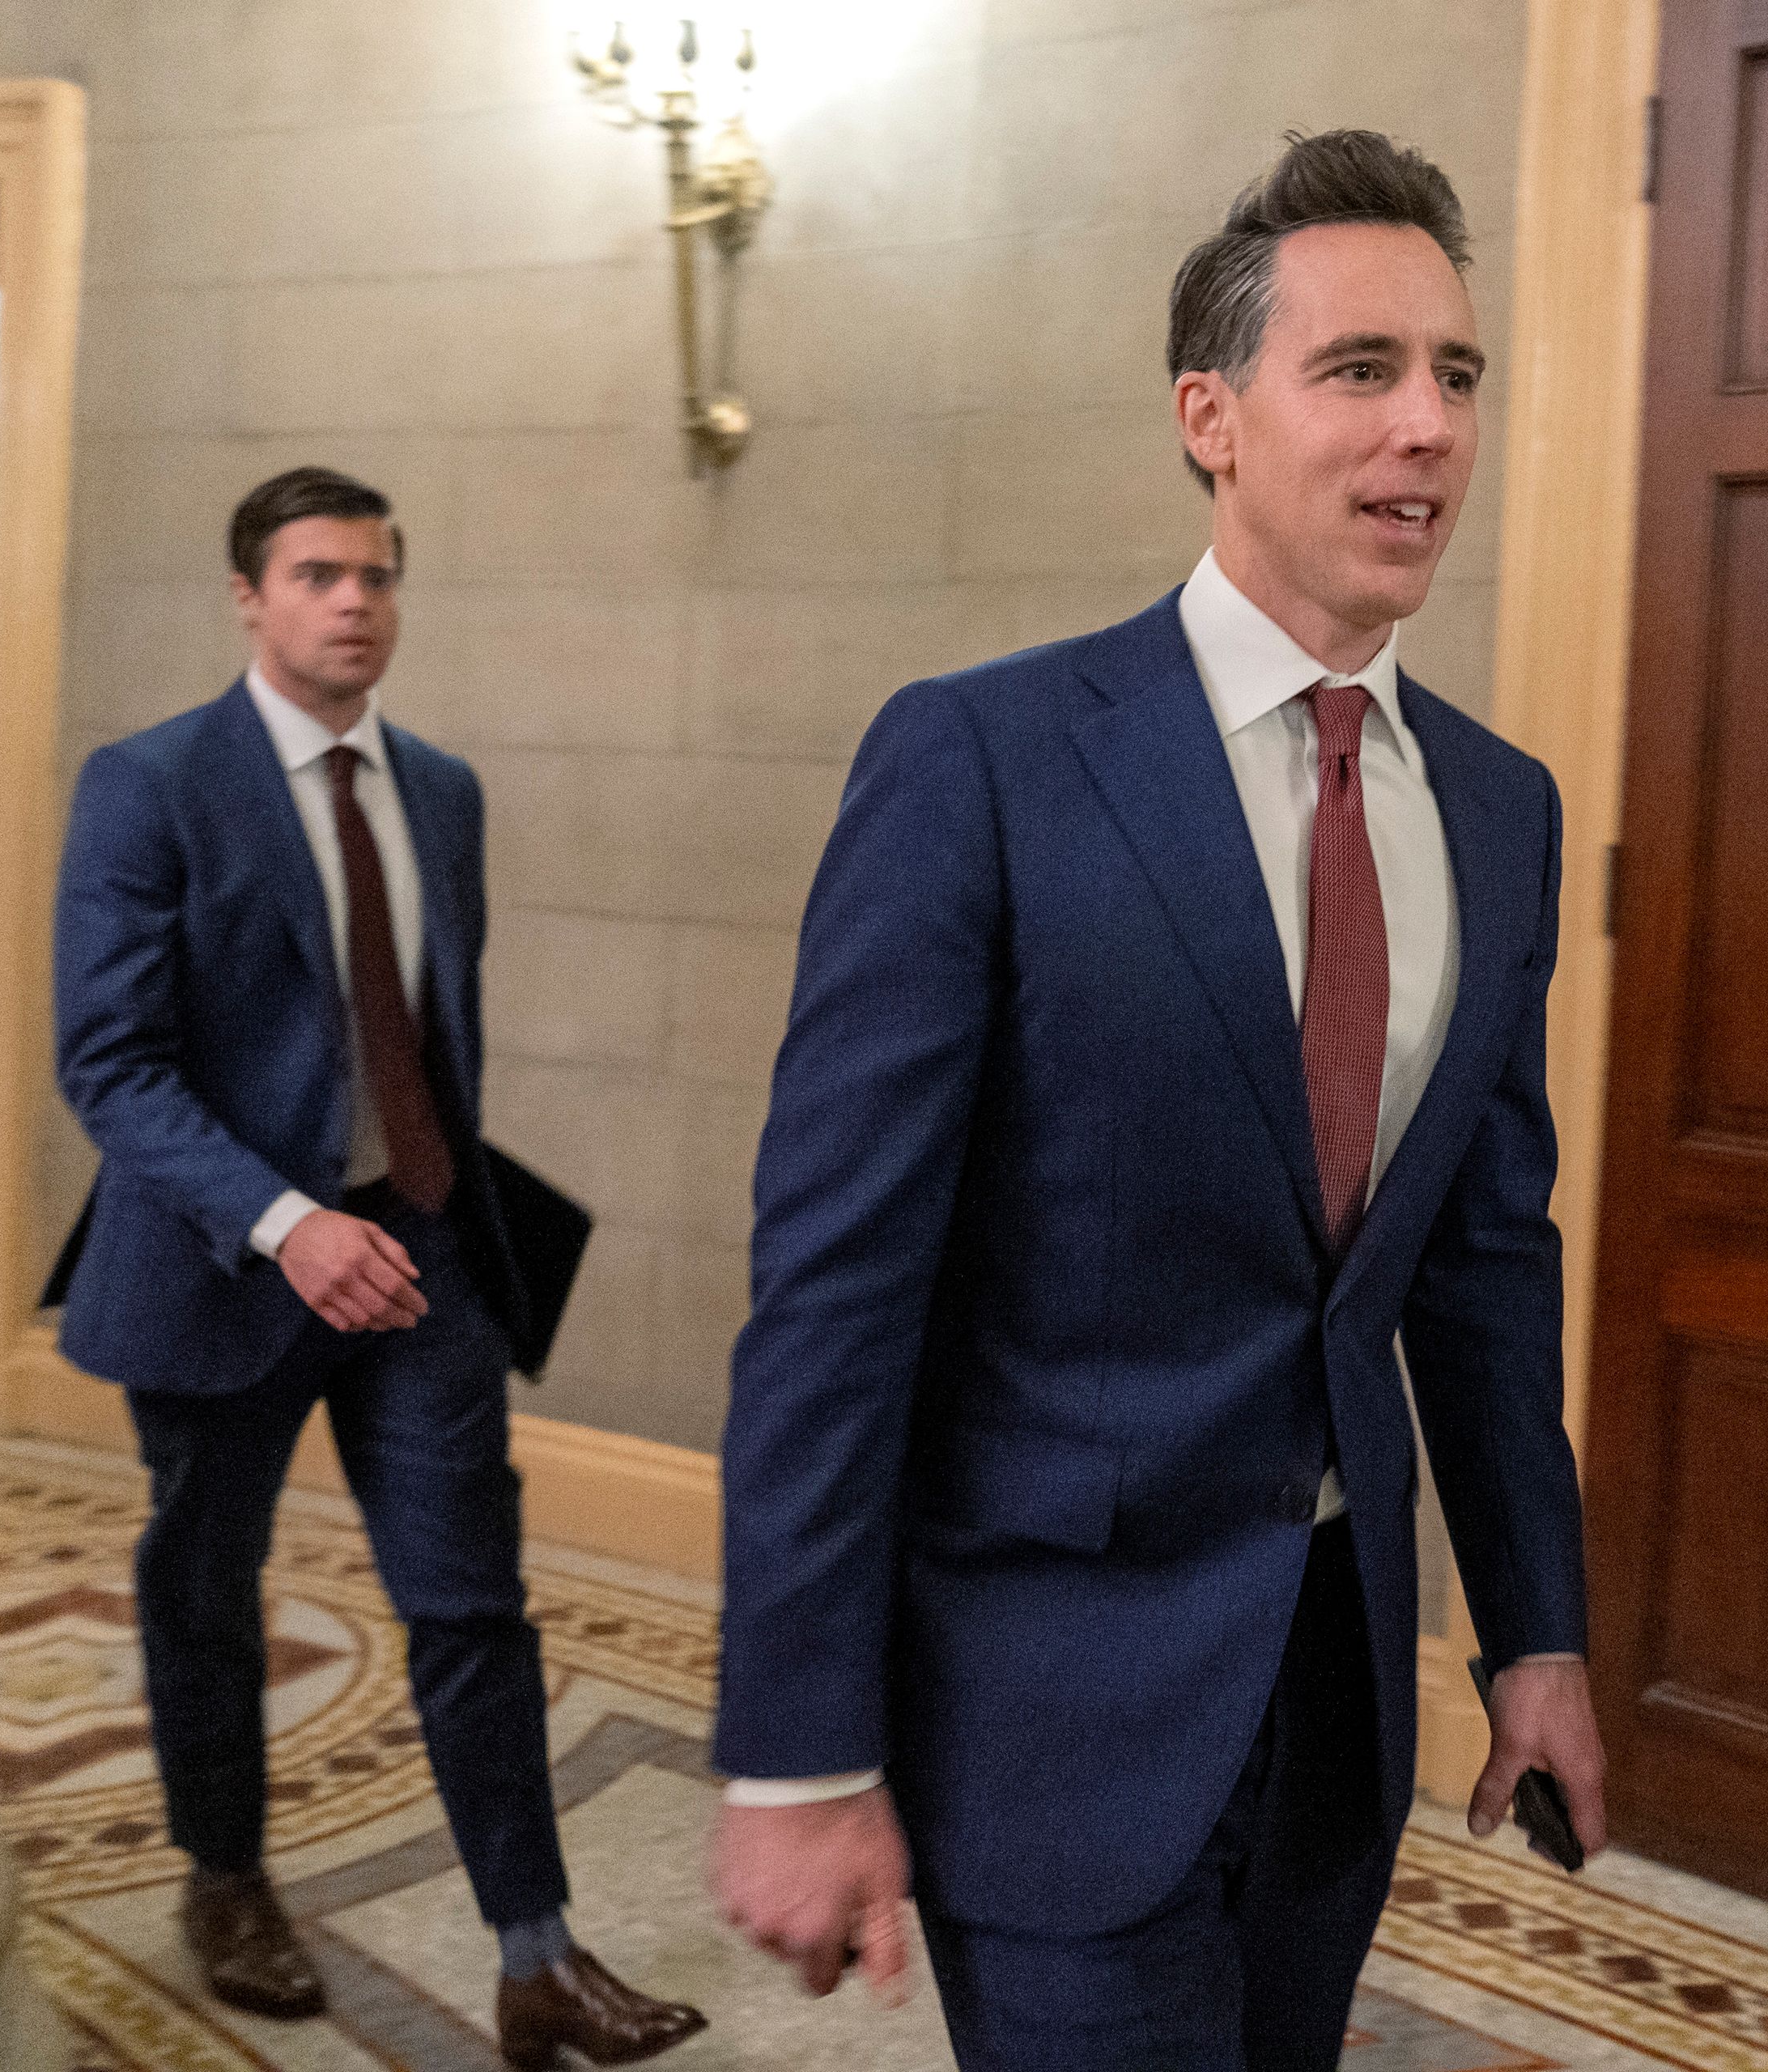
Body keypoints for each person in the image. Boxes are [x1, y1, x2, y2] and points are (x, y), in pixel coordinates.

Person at [708, 130, 1608, 2070]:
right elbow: (837, 1297)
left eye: (1458, 375)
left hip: (1336, 1695)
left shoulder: (1505, 813)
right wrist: (796, 1745)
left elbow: (1480, 1265)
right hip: (1049, 1700)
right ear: (1211, 415)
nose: (1429, 426)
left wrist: (1535, 1629)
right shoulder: (987, 760)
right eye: (1360, 369)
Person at [47, 467, 704, 2066]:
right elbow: (111, 1061)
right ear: (249, 597)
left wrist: (405, 1216)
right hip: (224, 1265)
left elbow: (420, 1038)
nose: (356, 602)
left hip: (414, 1262)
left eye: (380, 576)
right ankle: (224, 1879)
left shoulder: (444, 791)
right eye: (321, 573)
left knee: (473, 1601)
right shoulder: (150, 785)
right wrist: (287, 1221)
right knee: (204, 1587)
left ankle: (537, 1956)